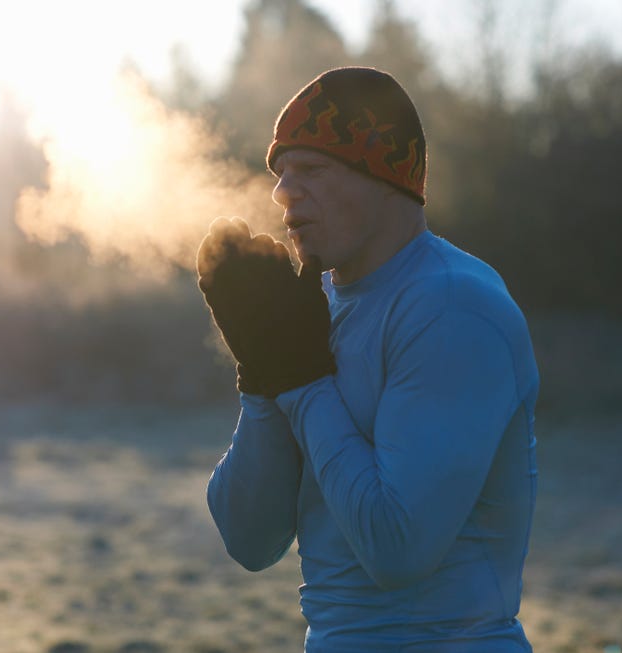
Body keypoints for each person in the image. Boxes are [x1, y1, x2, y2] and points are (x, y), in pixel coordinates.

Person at [196, 66, 540, 652]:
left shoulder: (453, 308)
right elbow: (251, 542)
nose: (282, 193)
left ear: (381, 174)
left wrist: (302, 383)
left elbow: (398, 546)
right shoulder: (315, 309)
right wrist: (261, 371)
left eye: (310, 169)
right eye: (281, 174)